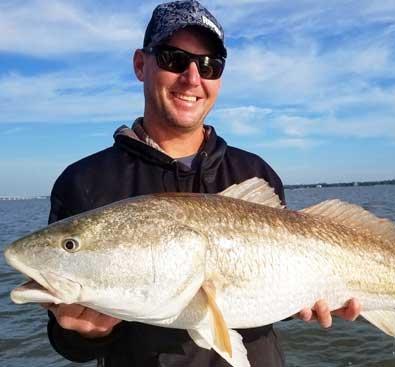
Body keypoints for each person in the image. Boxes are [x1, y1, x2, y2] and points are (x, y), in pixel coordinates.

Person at [44, 1, 361, 366]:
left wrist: (309, 298)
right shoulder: (83, 182)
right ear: (139, 64)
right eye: (173, 59)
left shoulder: (254, 172)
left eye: (210, 65)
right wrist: (80, 333)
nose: (193, 78)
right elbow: (66, 342)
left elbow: (265, 297)